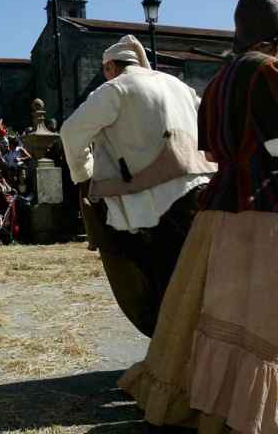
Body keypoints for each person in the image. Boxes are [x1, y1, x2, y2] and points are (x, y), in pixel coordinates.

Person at [120, 0, 278, 433]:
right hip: (265, 212)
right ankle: (258, 415)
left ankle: (215, 405)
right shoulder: (270, 70)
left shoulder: (220, 79)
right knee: (271, 319)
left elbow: (212, 148)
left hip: (219, 212)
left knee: (218, 312)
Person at [60, 34, 217, 337]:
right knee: (201, 278)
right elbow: (208, 122)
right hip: (202, 189)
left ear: (109, 67)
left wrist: (84, 174)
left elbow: (71, 132)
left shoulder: (115, 88)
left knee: (162, 284)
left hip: (153, 203)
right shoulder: (179, 86)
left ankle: (174, 357)